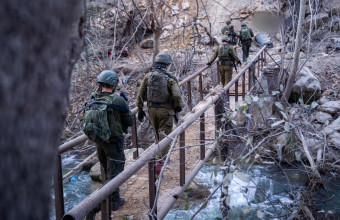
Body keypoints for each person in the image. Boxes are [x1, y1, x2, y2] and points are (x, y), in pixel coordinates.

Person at [84, 70, 134, 215]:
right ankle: (94, 206)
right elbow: (130, 121)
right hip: (114, 143)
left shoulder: (93, 98)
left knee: (107, 171)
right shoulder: (117, 100)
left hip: (99, 143)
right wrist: (126, 105)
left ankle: (115, 200)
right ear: (113, 84)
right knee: (115, 174)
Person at [136, 52, 183, 175]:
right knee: (165, 136)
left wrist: (140, 110)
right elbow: (177, 95)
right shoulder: (170, 78)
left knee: (158, 134)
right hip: (166, 111)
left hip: (151, 110)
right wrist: (178, 107)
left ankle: (158, 158)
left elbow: (140, 94)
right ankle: (160, 165)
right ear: (167, 65)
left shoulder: (148, 76)